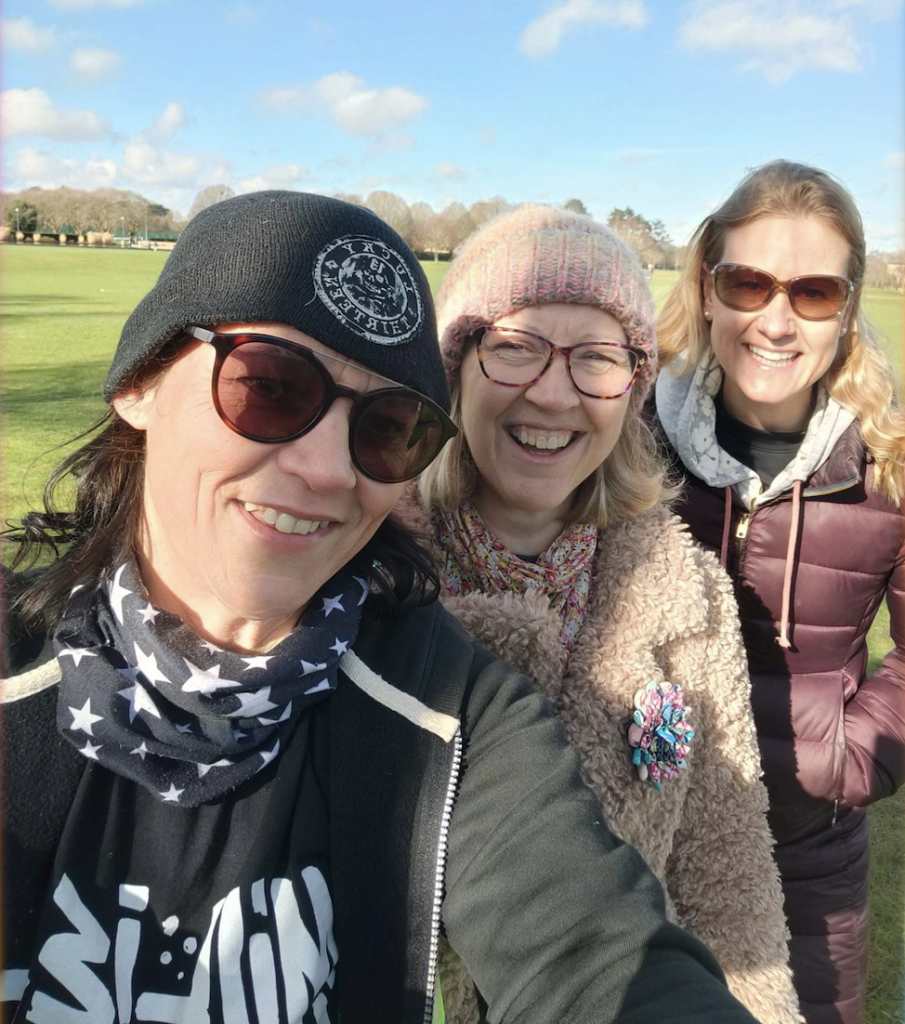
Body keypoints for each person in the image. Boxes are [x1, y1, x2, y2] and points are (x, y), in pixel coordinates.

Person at [0, 191, 763, 1024]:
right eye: (269, 387)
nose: (327, 468)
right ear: (141, 380)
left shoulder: (448, 706)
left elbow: (595, 955)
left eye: (383, 426)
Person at [413, 204, 802, 1024]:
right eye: (515, 347)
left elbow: (725, 870)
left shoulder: (686, 595)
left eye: (595, 358)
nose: (554, 394)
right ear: (455, 368)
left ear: (630, 389)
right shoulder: (373, 581)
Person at [654, 160, 905, 1024]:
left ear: (847, 307)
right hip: (633, 837)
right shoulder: (629, 440)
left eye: (812, 293)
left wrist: (850, 754)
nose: (774, 319)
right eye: (747, 283)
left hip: (807, 856)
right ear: (707, 288)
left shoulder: (889, 465)